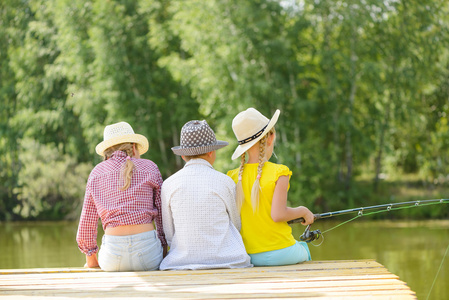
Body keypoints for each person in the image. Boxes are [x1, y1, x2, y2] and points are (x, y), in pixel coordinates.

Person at [227, 108, 314, 267]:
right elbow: (278, 215)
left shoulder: (232, 177)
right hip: (281, 252)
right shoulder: (279, 172)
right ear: (270, 137)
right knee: (304, 249)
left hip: (247, 255)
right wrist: (303, 211)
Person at [160, 120, 252, 270]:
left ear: (183, 156)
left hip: (181, 263)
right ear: (211, 152)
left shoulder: (168, 184)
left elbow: (169, 233)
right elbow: (237, 224)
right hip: (227, 261)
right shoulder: (225, 181)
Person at [76, 121, 166, 271]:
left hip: (112, 257)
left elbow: (87, 223)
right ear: (133, 147)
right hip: (148, 254)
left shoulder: (96, 173)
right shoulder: (150, 167)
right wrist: (163, 248)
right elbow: (163, 216)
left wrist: (91, 260)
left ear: (106, 153)